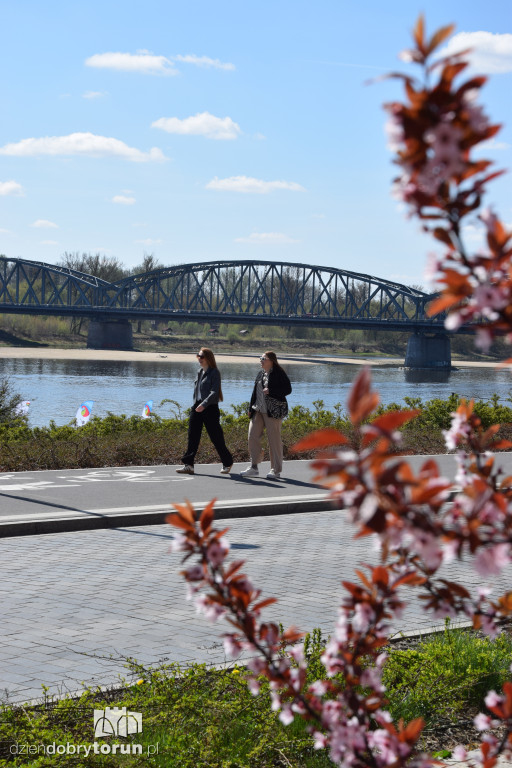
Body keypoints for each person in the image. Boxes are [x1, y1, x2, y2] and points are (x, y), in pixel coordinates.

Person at [176, 348, 233, 475]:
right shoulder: (199, 372)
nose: (199, 359)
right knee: (192, 436)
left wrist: (204, 404)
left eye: (201, 356)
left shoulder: (214, 372)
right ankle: (189, 465)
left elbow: (214, 392)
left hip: (210, 408)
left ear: (208, 358)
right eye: (198, 356)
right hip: (197, 406)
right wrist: (197, 404)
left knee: (216, 437)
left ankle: (227, 462)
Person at [241, 351, 292, 480]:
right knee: (252, 436)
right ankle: (254, 467)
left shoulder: (279, 373)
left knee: (274, 440)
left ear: (271, 361)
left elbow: (288, 389)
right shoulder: (260, 373)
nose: (261, 360)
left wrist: (271, 391)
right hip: (258, 410)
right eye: (260, 358)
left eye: (263, 358)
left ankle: (275, 470)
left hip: (272, 411)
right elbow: (254, 392)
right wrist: (250, 408)